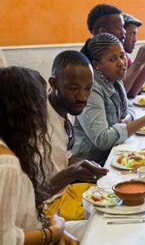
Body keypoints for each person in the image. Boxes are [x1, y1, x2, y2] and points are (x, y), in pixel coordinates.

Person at [0, 66, 78, 244]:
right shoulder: (7, 166)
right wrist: (53, 232)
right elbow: (6, 239)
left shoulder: (13, 148)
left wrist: (49, 226)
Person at [75, 33, 145, 165]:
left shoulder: (114, 79)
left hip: (114, 152)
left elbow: (129, 107)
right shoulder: (92, 89)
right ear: (96, 64)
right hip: (92, 163)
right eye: (112, 59)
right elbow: (103, 140)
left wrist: (128, 119)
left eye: (122, 56)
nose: (121, 63)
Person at [43, 50, 108, 221]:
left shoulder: (66, 110)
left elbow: (63, 158)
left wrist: (90, 167)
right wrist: (72, 173)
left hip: (66, 193)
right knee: (109, 223)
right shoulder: (40, 123)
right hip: (47, 210)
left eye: (88, 88)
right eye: (74, 88)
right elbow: (32, 193)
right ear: (53, 83)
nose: (82, 97)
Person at [86, 4, 145, 98]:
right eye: (120, 28)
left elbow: (131, 93)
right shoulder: (89, 60)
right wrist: (138, 63)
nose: (124, 32)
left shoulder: (119, 55)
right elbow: (118, 95)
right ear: (103, 31)